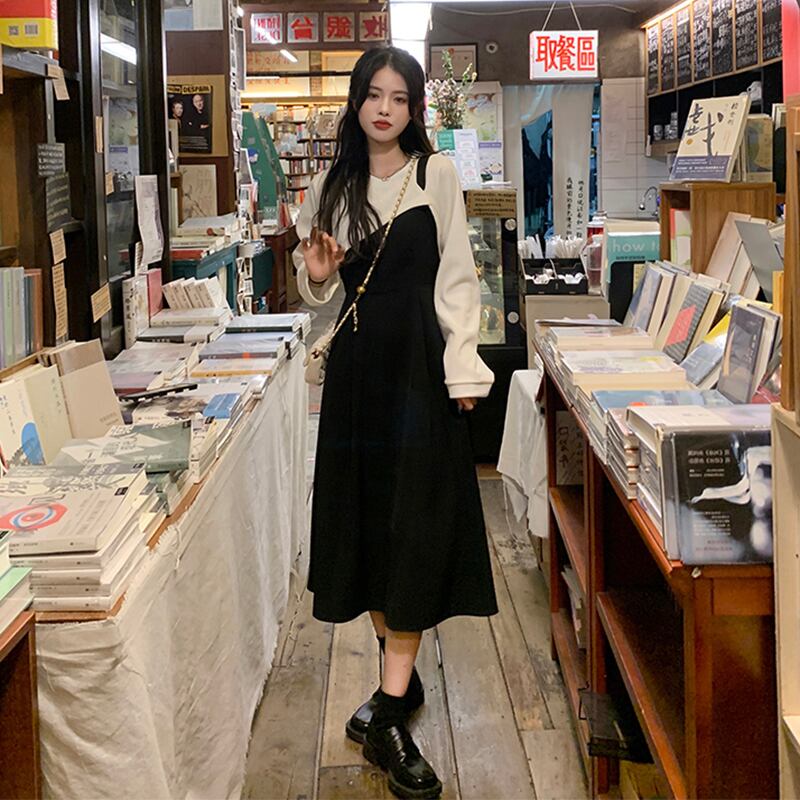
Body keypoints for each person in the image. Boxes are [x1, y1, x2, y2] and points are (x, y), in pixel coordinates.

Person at [293, 46, 498, 800]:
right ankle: (395, 687)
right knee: (369, 525)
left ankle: (386, 709)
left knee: (413, 526)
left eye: (400, 98)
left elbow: (458, 280)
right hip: (356, 378)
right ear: (356, 102)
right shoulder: (331, 186)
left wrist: (463, 370)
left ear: (414, 109)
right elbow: (318, 292)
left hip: (418, 374)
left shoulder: (434, 175)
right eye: (374, 95)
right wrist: (318, 279)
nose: (385, 109)